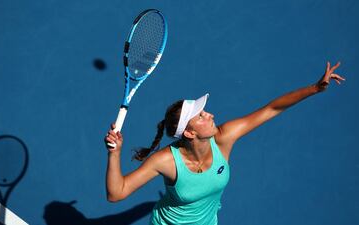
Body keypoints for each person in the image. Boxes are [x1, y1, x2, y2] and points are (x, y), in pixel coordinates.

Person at [105, 62, 345, 225]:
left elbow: (272, 108)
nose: (209, 115)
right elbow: (117, 193)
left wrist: (315, 88)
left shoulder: (224, 137)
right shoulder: (166, 161)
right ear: (189, 133)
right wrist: (114, 155)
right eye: (200, 116)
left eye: (205, 111)